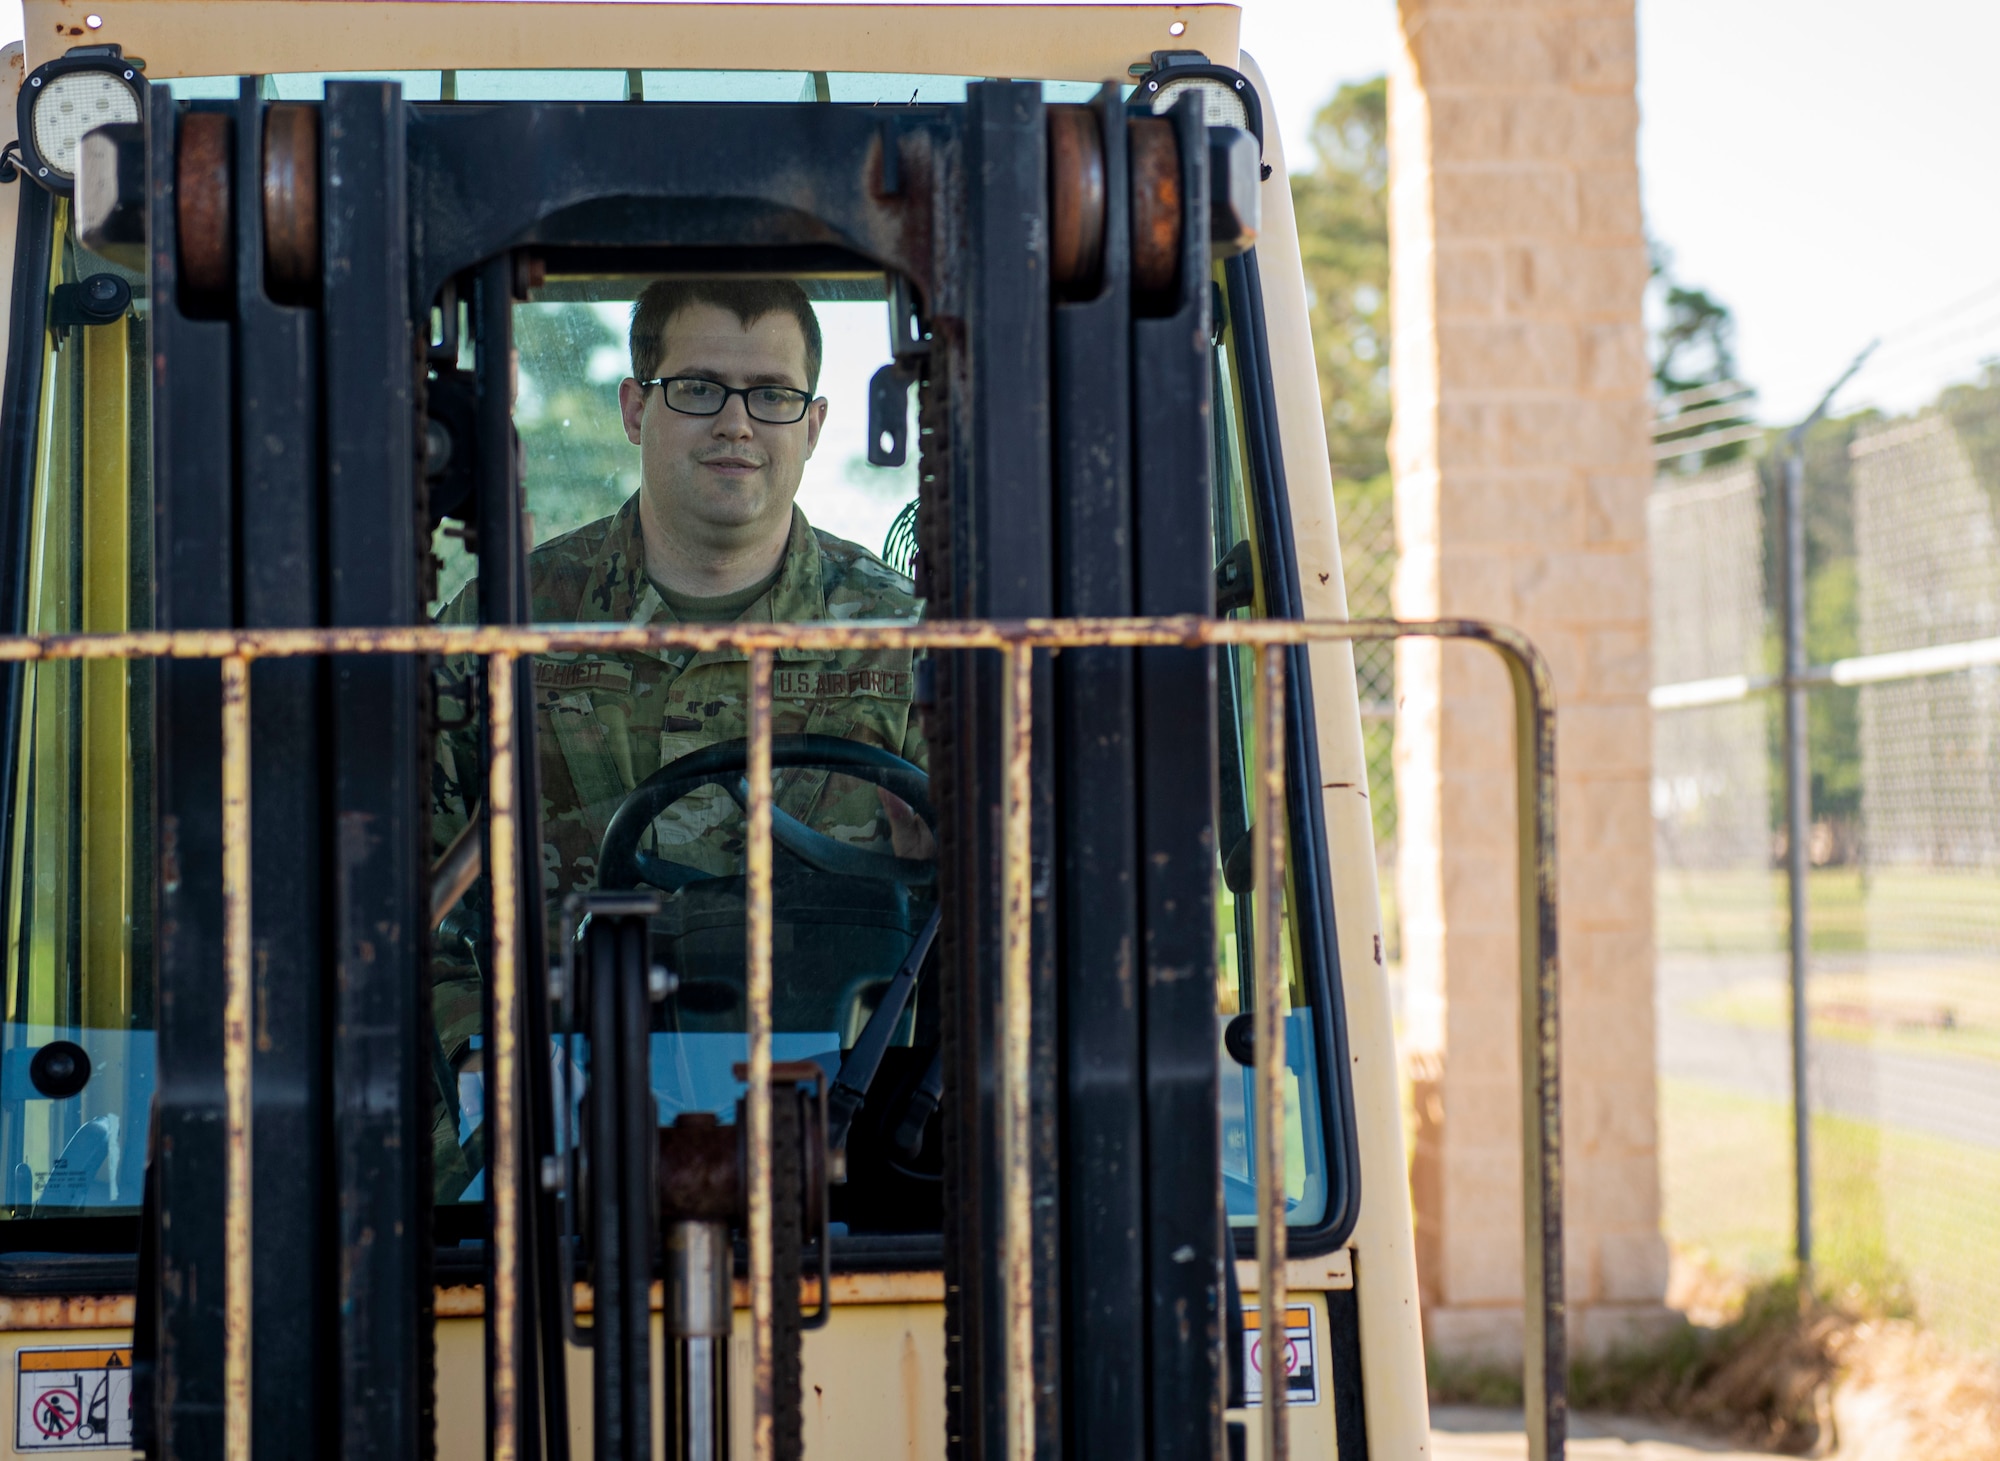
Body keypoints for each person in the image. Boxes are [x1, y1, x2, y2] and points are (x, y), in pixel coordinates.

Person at [427, 278, 929, 1195]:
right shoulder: (510, 629)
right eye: (697, 388)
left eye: (772, 396)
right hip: (549, 1173)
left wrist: (950, 866)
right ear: (634, 406)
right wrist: (487, 1074)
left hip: (849, 1157)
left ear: (813, 425)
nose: (737, 424)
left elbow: (1003, 928)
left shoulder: (913, 648)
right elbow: (398, 905)